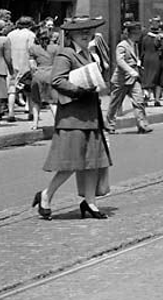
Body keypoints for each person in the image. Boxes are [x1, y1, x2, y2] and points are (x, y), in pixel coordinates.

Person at [36, 15, 112, 220]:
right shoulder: (66, 54)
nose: (86, 35)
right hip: (73, 118)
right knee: (71, 162)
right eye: (81, 32)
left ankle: (90, 202)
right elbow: (57, 80)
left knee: (92, 161)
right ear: (71, 35)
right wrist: (79, 90)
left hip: (91, 116)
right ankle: (46, 195)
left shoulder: (91, 55)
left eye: (89, 31)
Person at [105, 21, 152, 134]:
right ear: (133, 33)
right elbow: (120, 61)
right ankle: (109, 125)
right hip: (122, 79)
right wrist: (130, 70)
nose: (140, 35)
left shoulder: (135, 45)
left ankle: (142, 124)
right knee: (115, 103)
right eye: (138, 33)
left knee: (139, 101)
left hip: (134, 79)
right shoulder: (122, 45)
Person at [6, 16, 36, 123]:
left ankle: (11, 113)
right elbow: (32, 50)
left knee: (12, 89)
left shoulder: (10, 34)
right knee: (29, 90)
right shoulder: (30, 35)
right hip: (26, 65)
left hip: (12, 65)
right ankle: (31, 112)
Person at [27, 26, 57, 130]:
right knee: (53, 101)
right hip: (51, 74)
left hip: (38, 75)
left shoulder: (33, 49)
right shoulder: (56, 48)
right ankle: (57, 123)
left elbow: (32, 65)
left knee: (36, 101)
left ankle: (35, 124)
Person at [139, 17, 163, 106]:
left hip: (147, 59)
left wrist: (141, 60)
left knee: (147, 78)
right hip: (157, 59)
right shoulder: (161, 37)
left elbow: (142, 50)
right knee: (158, 80)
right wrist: (161, 55)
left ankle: (146, 97)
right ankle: (157, 100)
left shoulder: (145, 37)